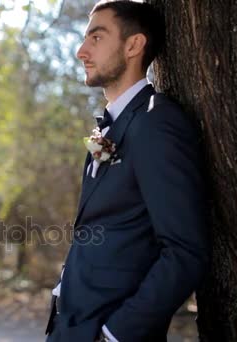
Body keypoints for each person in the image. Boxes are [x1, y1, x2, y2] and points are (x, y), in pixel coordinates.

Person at [44, 1, 211, 341]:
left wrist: (116, 333)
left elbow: (185, 251)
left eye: (96, 37)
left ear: (133, 45)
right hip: (70, 326)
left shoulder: (157, 122)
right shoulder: (107, 128)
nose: (81, 51)